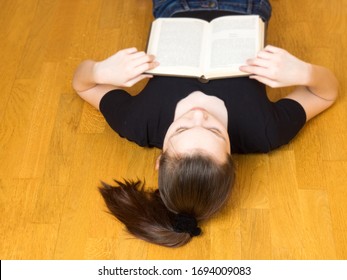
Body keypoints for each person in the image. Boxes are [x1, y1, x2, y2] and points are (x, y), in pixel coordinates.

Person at [72, 0, 338, 247]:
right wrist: (304, 72)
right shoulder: (264, 130)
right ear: (230, 156)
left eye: (182, 128)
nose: (198, 113)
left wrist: (100, 71)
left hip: (173, 7)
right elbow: (326, 93)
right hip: (244, 7)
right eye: (214, 130)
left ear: (160, 159)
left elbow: (82, 85)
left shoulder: (138, 122)